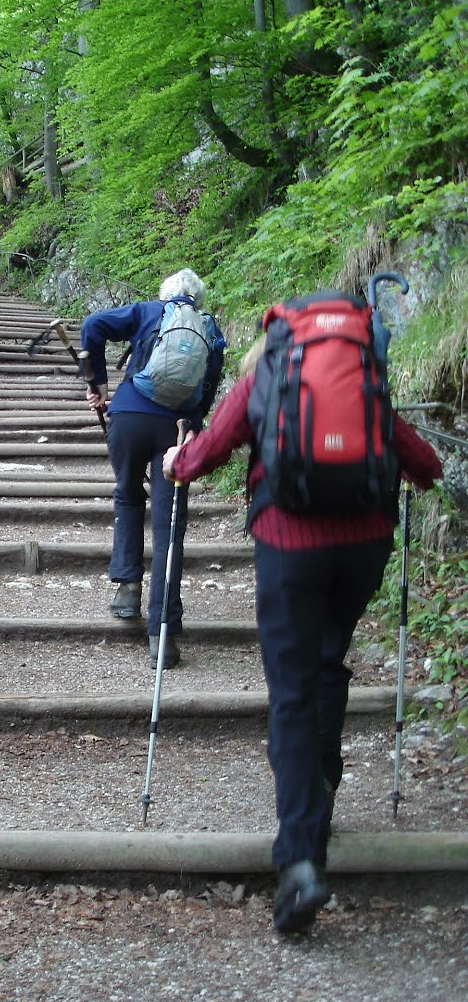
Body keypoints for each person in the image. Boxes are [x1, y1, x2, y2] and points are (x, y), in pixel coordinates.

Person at [162, 327, 443, 935]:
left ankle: (301, 864)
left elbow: (204, 455)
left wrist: (173, 462)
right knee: (326, 660)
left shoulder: (261, 379)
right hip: (363, 549)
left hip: (291, 548)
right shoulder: (363, 389)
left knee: (291, 693)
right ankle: (323, 787)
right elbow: (426, 463)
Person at [80, 268, 218, 670]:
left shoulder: (147, 311)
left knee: (126, 493)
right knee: (169, 524)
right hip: (177, 432)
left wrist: (99, 385)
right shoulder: (210, 330)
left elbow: (93, 326)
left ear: (167, 294)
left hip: (129, 417)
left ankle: (127, 589)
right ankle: (164, 637)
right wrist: (193, 428)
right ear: (198, 300)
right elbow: (207, 389)